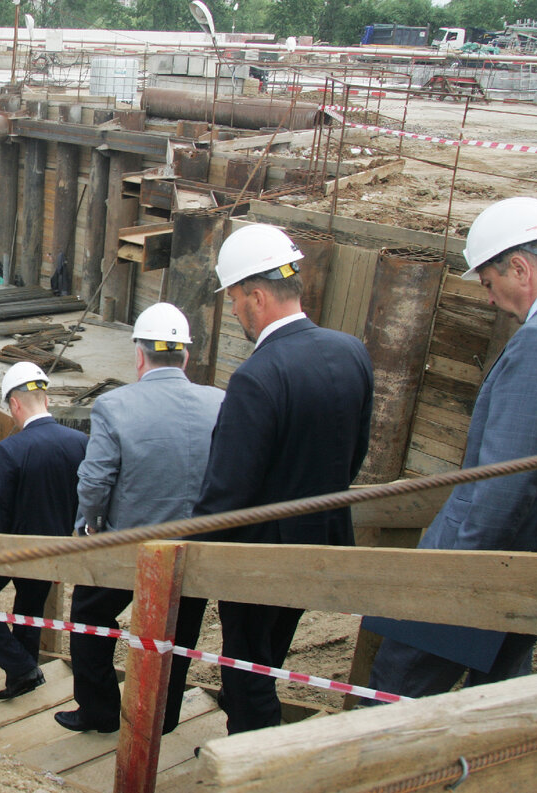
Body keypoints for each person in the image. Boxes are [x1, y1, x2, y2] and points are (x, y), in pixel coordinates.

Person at [366, 197, 537, 698]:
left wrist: (450, 578)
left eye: (488, 283)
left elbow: (508, 481)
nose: (488, 299)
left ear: (520, 268)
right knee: (499, 691)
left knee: (397, 687)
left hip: (493, 561)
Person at [190, 224, 373, 735]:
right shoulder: (350, 350)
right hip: (318, 543)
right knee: (269, 654)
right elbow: (353, 454)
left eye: (234, 301)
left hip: (259, 558)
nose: (234, 313)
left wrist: (185, 547)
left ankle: (254, 759)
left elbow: (227, 492)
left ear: (255, 295)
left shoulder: (258, 376)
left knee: (246, 669)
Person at [55, 304, 224, 734]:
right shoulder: (219, 402)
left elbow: (94, 481)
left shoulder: (114, 406)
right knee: (177, 637)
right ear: (185, 356)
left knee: (90, 620)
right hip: (194, 551)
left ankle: (100, 709)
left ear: (139, 355)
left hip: (127, 546)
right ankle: (162, 718)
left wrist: (88, 524)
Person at [0, 362, 87, 700]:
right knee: (29, 610)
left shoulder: (10, 450)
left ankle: (21, 668)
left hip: (14, 551)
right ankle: (23, 676)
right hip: (54, 549)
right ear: (44, 397)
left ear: (14, 403)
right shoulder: (79, 442)